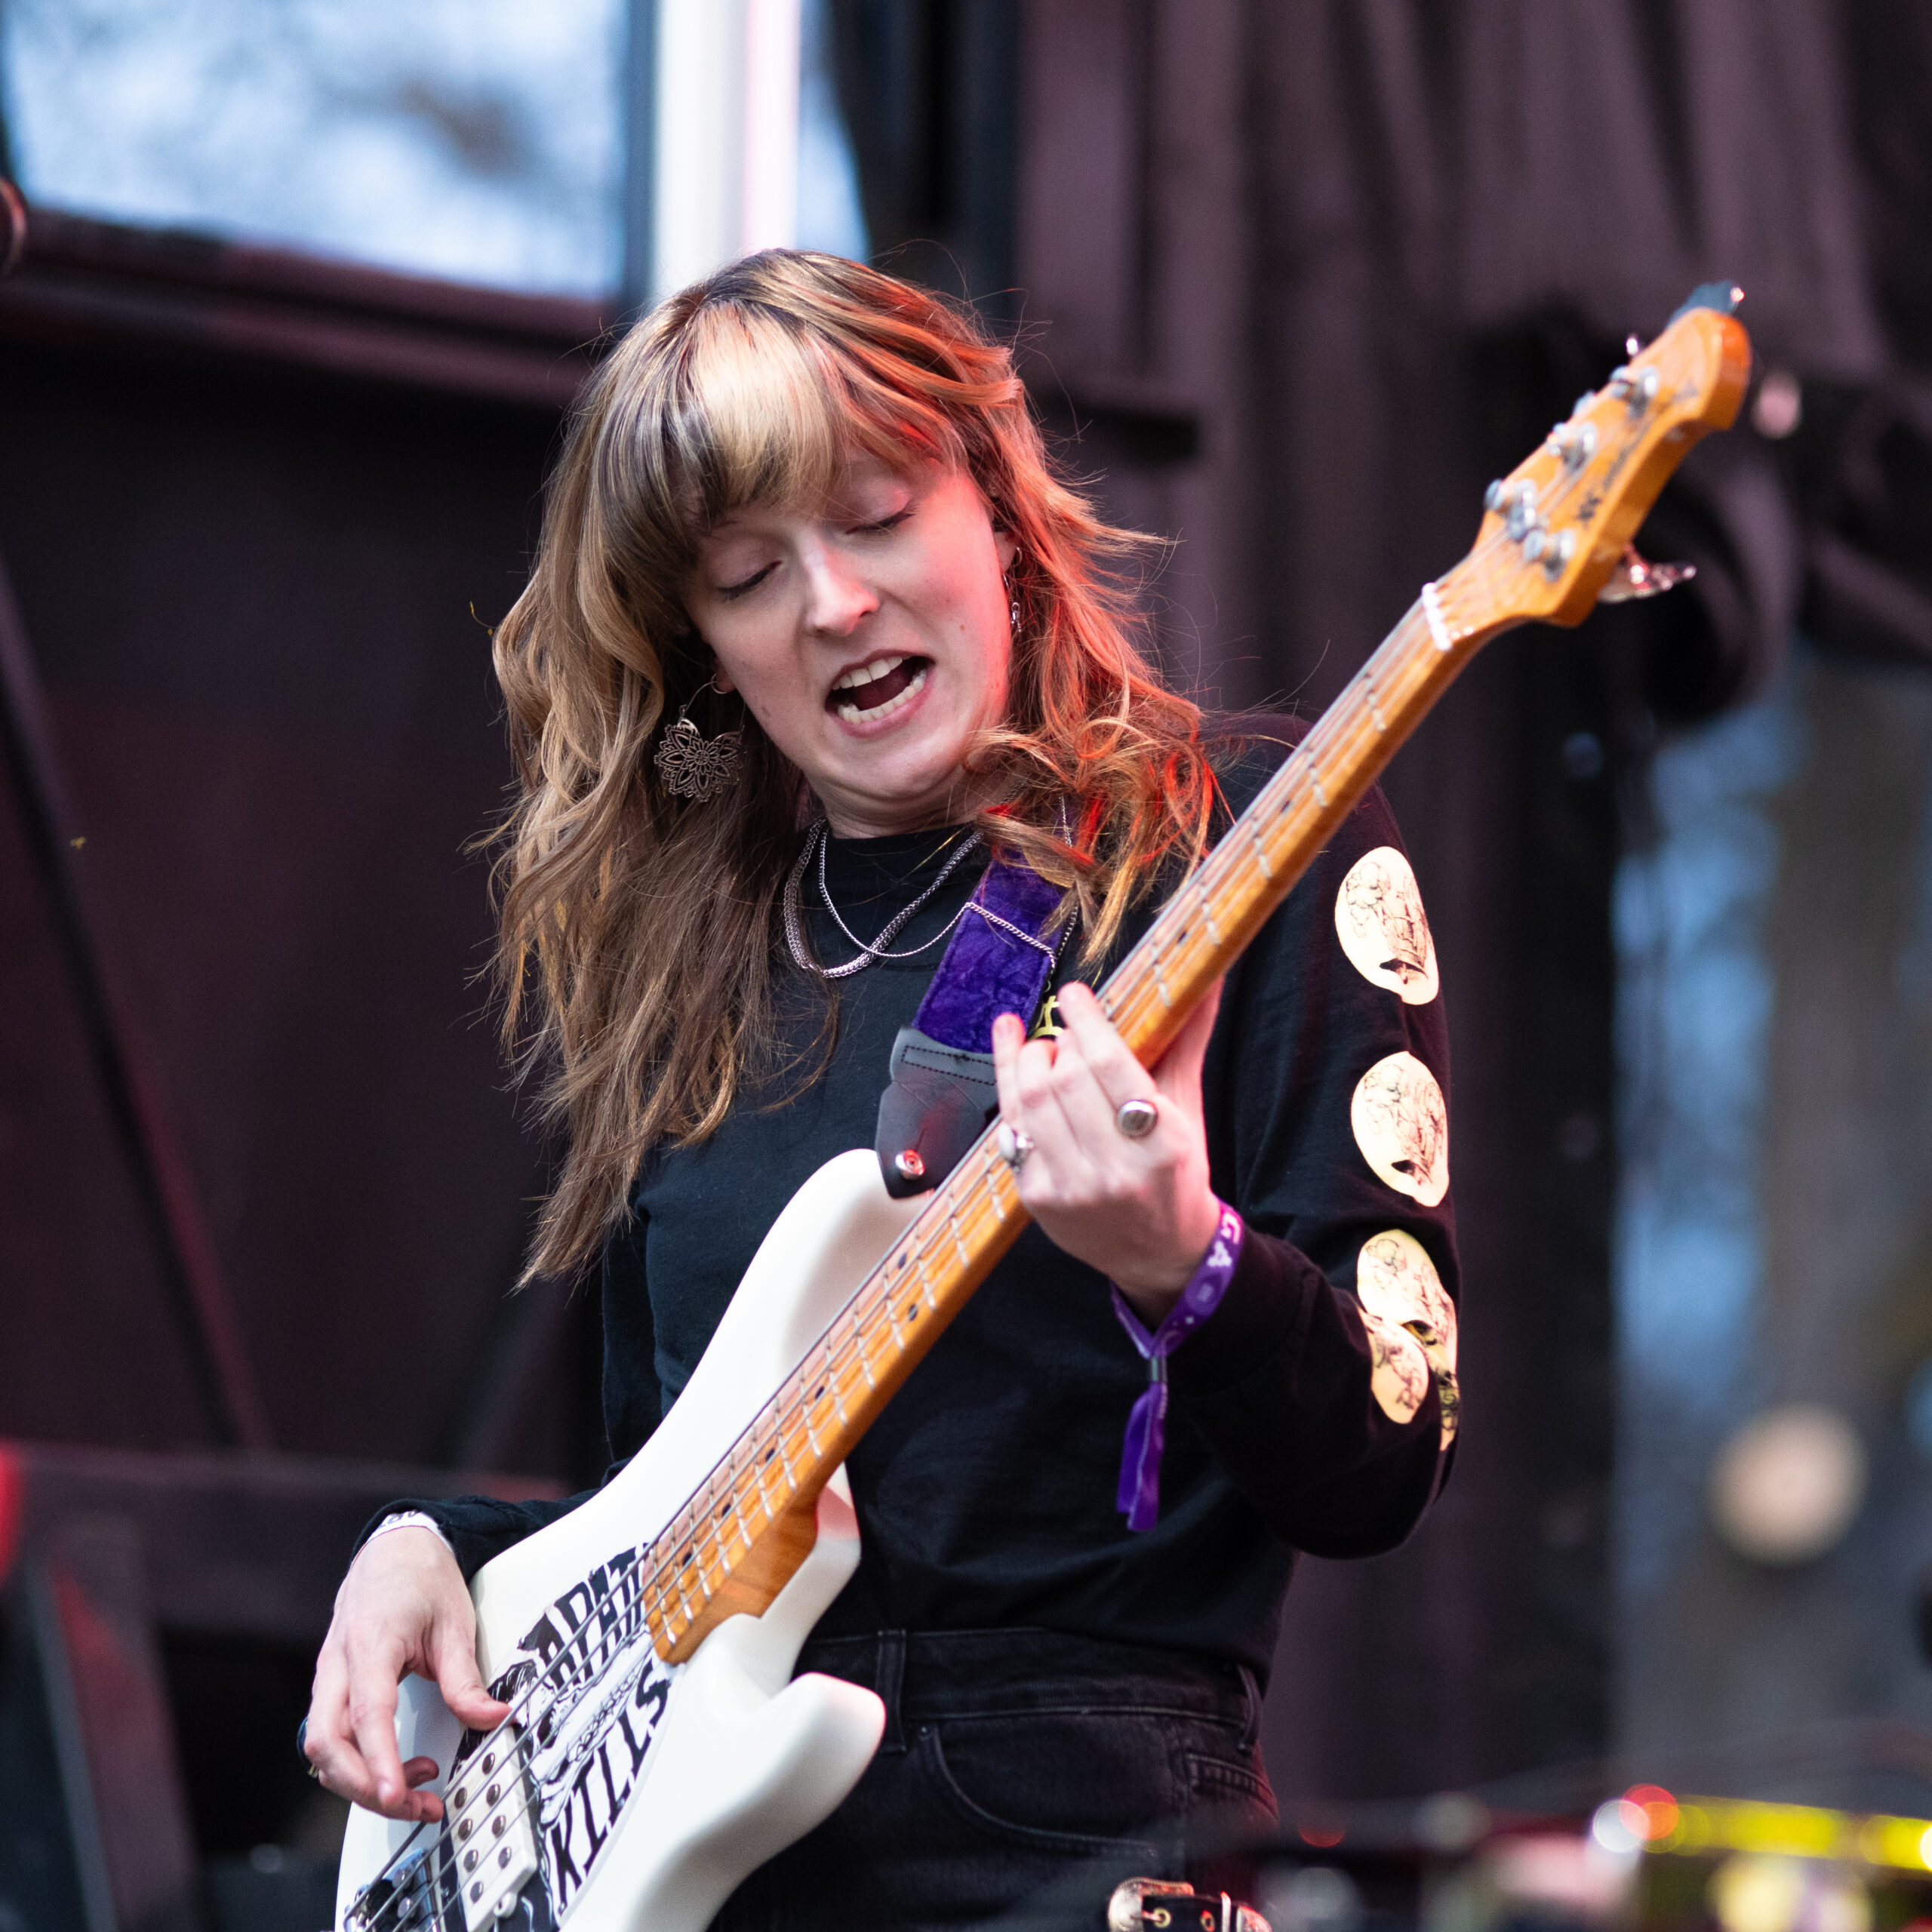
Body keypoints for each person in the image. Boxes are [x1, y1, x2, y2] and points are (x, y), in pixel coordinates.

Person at [302, 250, 1459, 1929]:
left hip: (1079, 1843)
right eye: (748, 573)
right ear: (704, 656)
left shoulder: (1233, 841)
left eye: (873, 513)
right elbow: (668, 1527)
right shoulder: (701, 989)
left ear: (991, 506)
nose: (831, 601)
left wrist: (1182, 1262)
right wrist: (442, 1549)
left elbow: (1384, 1459)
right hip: (730, 1873)